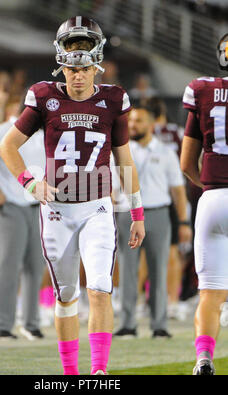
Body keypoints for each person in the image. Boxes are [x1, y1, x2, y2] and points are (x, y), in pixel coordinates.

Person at [0, 16, 145, 375]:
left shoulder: (114, 99)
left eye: (83, 69)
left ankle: (98, 372)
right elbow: (8, 146)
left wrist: (137, 213)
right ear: (61, 64)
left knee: (99, 288)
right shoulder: (44, 96)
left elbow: (123, 159)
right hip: (57, 212)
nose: (77, 77)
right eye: (70, 68)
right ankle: (70, 374)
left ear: (96, 66)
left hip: (97, 208)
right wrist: (30, 183)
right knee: (66, 296)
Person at [113, 104, 191, 339]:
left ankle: (159, 324)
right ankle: (127, 324)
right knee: (127, 270)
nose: (133, 125)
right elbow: (109, 187)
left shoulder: (166, 151)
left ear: (152, 124)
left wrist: (184, 222)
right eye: (131, 121)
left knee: (159, 269)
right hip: (126, 213)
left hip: (158, 213)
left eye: (138, 120)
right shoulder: (119, 150)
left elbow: (177, 190)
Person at [180, 33, 228, 375]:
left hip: (213, 200)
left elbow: (186, 163)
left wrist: (210, 186)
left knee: (210, 293)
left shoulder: (203, 89)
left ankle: (204, 359)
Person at [0, 97, 46, 341]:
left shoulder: (42, 136)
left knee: (36, 266)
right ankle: (2, 323)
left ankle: (31, 323)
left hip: (37, 207)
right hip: (10, 206)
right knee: (9, 266)